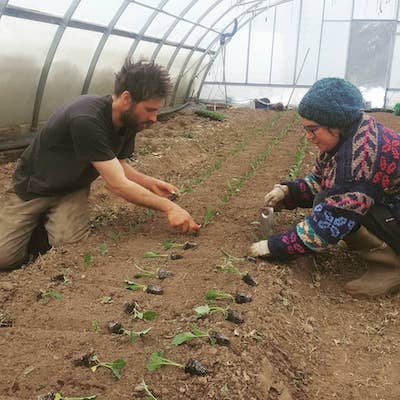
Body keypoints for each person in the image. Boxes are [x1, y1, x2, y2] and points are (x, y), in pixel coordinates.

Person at [0, 59, 200, 271]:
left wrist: (149, 182)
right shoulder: (86, 118)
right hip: (34, 188)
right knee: (4, 258)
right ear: (126, 98)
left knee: (69, 248)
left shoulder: (129, 121)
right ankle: (33, 222)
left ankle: (41, 227)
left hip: (71, 190)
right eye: (149, 109)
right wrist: (169, 208)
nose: (154, 118)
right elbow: (117, 184)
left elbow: (119, 165)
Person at [249, 77, 400, 297]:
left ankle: (391, 268)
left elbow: (329, 224)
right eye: (305, 129)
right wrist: (288, 192)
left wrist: (275, 247)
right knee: (328, 197)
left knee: (335, 206)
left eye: (313, 129)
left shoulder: (358, 161)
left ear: (334, 124)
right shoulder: (351, 131)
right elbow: (321, 181)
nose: (308, 137)